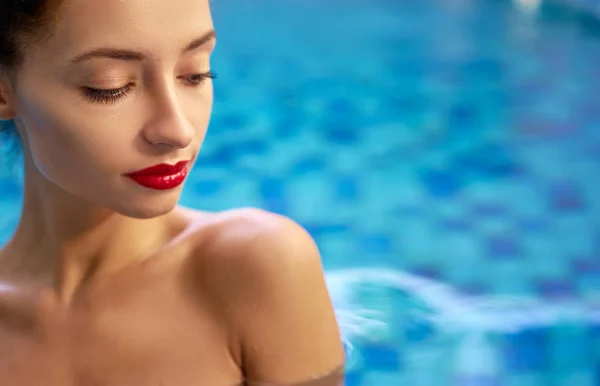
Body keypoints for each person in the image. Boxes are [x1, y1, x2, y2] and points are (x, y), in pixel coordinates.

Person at [0, 0, 346, 384]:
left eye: (195, 74)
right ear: (3, 90)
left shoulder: (255, 268)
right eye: (110, 86)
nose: (178, 130)